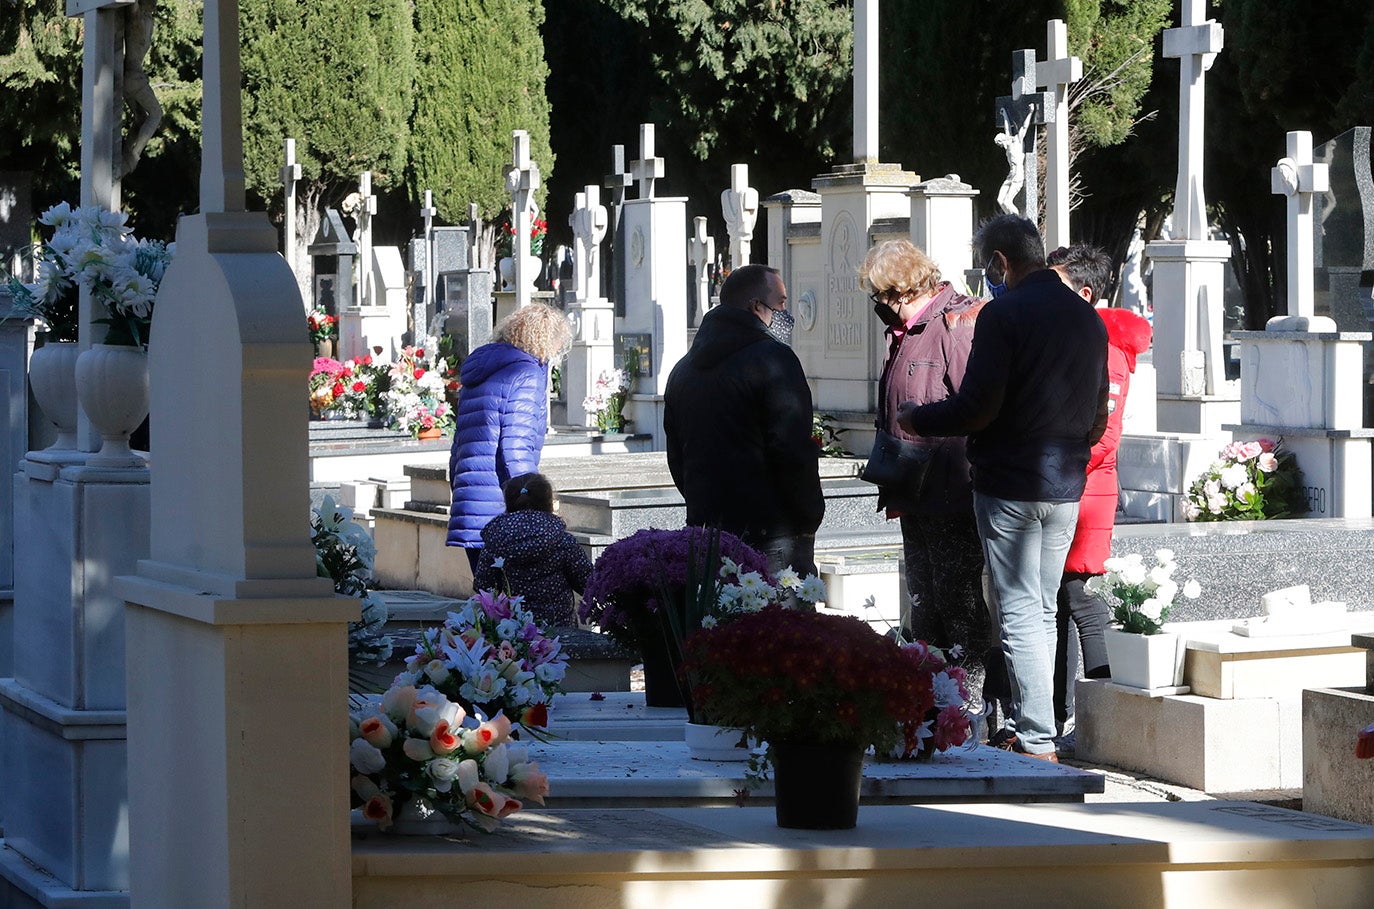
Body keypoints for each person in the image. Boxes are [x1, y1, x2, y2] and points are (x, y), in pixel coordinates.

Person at [897, 215, 1109, 762]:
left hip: (1010, 483)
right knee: (1040, 608)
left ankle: (1037, 736)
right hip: (1065, 482)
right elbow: (1097, 416)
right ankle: (1040, 726)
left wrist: (919, 419)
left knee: (1018, 609)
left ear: (999, 263)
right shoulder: (1087, 317)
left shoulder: (1003, 314)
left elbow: (977, 407)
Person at [859, 239, 992, 709]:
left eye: (883, 296)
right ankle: (929, 700)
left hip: (951, 492)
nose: (881, 306)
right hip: (913, 491)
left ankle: (968, 705)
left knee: (958, 602)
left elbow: (974, 407)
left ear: (903, 287)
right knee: (924, 600)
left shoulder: (954, 325)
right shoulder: (906, 330)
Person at [1046, 245, 1153, 749]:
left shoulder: (1106, 352)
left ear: (1085, 295)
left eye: (1057, 285)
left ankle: (1098, 714)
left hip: (1086, 488)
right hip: (1069, 482)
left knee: (1080, 601)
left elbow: (1103, 436)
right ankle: (1062, 716)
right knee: (1061, 601)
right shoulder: (1077, 340)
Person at [663, 263, 824, 577]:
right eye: (780, 304)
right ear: (756, 307)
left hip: (706, 530)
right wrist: (808, 518)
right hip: (771, 533)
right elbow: (791, 450)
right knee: (782, 625)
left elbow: (677, 456)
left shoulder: (683, 370)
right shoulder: (774, 359)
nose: (785, 314)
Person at [446, 303, 572, 575]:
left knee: (488, 599)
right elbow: (516, 445)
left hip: (470, 496)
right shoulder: (525, 373)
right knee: (513, 601)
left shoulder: (480, 371)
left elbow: (459, 443)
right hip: (502, 502)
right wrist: (537, 501)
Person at [472, 473, 593, 627]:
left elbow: (483, 587)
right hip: (560, 632)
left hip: (512, 634)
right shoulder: (563, 541)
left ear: (508, 503)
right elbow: (587, 583)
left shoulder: (495, 541)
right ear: (549, 503)